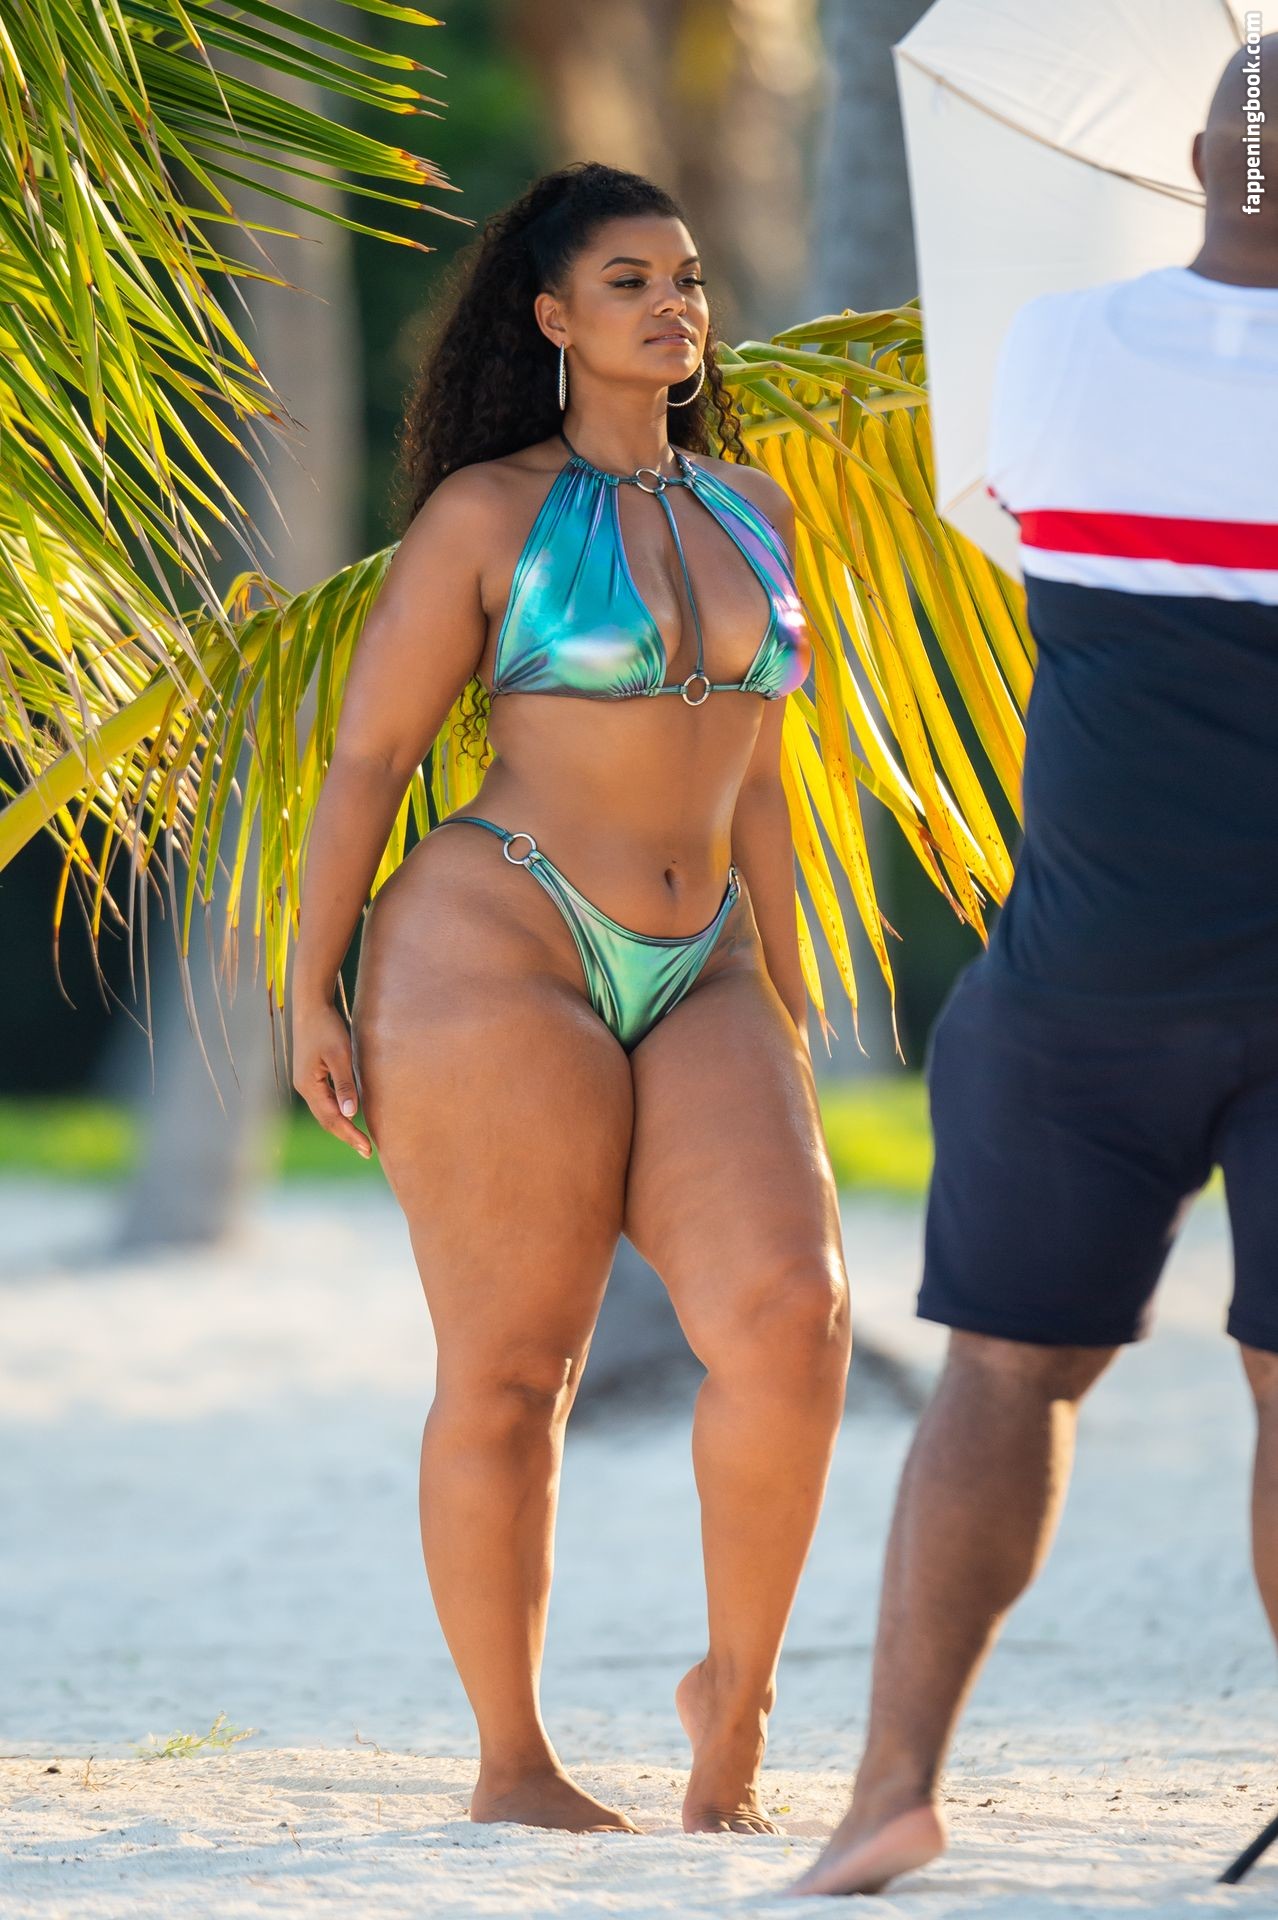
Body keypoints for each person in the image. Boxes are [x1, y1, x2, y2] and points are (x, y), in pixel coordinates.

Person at [289, 163, 852, 1838]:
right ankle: (514, 1762)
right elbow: (370, 758)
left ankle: (733, 1696)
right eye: (629, 282)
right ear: (550, 317)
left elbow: (760, 773)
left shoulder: (754, 505)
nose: (673, 307)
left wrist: (786, 973)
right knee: (513, 1367)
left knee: (792, 1315)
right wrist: (311, 987)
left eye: (686, 280)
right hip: (498, 941)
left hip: (704, 960)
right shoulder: (486, 516)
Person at [795, 34, 1278, 1898]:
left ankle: (888, 1797)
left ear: (1192, 156)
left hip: (1085, 973)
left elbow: (1023, 529)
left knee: (1002, 1374)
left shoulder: (1054, 350)